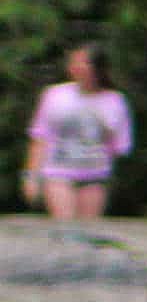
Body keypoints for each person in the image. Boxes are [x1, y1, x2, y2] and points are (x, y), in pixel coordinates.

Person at [22, 45, 131, 223]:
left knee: (89, 229)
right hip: (58, 172)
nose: (73, 67)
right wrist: (32, 176)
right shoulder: (55, 95)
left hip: (95, 175)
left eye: (80, 62)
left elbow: (118, 145)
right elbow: (40, 137)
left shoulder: (114, 101)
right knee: (66, 226)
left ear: (95, 68)